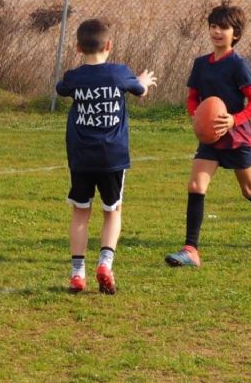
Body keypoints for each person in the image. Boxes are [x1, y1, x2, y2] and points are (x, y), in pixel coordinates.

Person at [165, 2, 251, 267]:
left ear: (236, 34)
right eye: (213, 26)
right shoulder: (200, 64)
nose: (217, 32)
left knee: (249, 189)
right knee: (196, 186)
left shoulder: (238, 65)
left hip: (237, 137)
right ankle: (191, 250)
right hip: (210, 139)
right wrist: (198, 117)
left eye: (224, 28)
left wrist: (233, 119)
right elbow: (193, 98)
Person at [56, 18, 156, 295]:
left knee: (80, 212)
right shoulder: (120, 73)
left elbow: (61, 88)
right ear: (109, 45)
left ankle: (77, 273)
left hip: (81, 157)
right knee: (112, 211)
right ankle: (105, 264)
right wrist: (143, 81)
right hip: (113, 157)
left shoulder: (74, 77)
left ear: (77, 47)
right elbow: (140, 91)